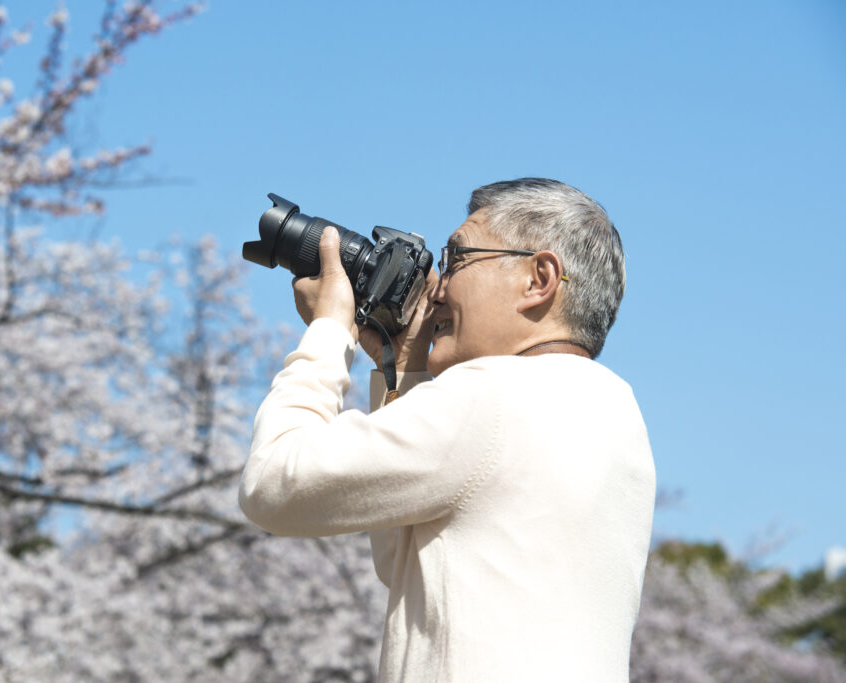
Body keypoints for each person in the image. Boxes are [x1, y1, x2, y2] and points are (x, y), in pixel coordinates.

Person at [239, 178, 656, 682]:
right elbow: (407, 560)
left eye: (456, 260)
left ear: (538, 279)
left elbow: (274, 484)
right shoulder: (613, 412)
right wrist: (406, 371)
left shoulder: (494, 396)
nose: (435, 289)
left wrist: (330, 331)